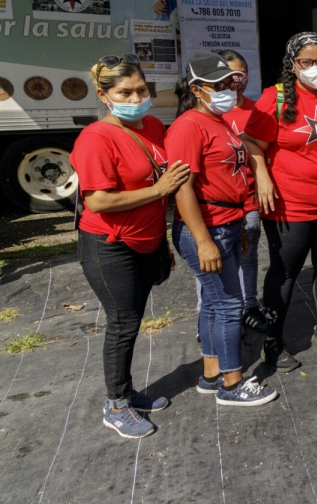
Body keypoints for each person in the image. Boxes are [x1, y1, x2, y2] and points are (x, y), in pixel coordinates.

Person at [71, 54, 191, 438]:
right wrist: (157, 190)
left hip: (146, 240)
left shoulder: (153, 124)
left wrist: (160, 242)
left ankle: (128, 392)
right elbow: (99, 201)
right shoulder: (96, 138)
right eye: (125, 91)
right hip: (110, 245)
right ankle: (116, 403)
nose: (136, 97)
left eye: (141, 89)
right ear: (104, 95)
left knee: (133, 320)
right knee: (122, 325)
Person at [242, 33, 317, 373]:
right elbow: (250, 142)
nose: (315, 69)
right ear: (293, 65)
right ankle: (273, 342)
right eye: (306, 62)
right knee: (285, 273)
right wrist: (262, 174)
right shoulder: (274, 98)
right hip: (288, 205)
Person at [167, 52, 278, 407]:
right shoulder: (188, 126)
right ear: (197, 89)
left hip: (227, 223)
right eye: (217, 85)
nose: (227, 89)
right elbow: (183, 188)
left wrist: (239, 221)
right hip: (206, 228)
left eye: (229, 82)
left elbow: (232, 175)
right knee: (229, 305)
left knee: (216, 306)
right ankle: (232, 384)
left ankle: (211, 375)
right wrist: (203, 240)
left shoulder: (222, 121)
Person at [192, 50, 269, 337]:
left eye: (240, 76)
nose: (235, 82)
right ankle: (208, 316)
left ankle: (249, 306)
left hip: (247, 200)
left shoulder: (256, 109)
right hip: (215, 206)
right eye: (227, 77)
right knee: (213, 265)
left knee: (248, 258)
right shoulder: (204, 113)